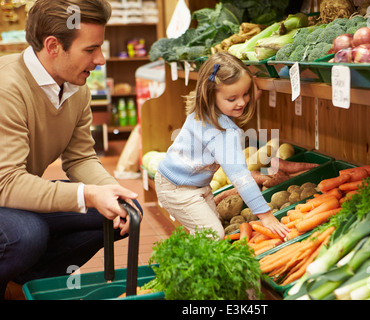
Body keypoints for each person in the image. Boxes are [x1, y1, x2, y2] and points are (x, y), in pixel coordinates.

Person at [0, 0, 142, 299]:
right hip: (6, 190)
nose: (100, 59)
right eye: (90, 50)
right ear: (53, 46)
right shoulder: (7, 87)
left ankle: (26, 283)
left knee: (120, 212)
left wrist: (109, 191)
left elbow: (80, 157)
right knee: (26, 235)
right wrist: (89, 194)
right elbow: (7, 183)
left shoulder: (76, 88)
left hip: (13, 195)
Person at [155, 52, 290, 240]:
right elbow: (241, 177)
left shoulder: (202, 109)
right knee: (213, 235)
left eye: (245, 94)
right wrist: (265, 215)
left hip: (188, 184)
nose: (242, 102)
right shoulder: (221, 133)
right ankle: (191, 268)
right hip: (177, 189)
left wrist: (242, 96)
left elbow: (230, 109)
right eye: (232, 99)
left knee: (211, 229)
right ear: (211, 95)